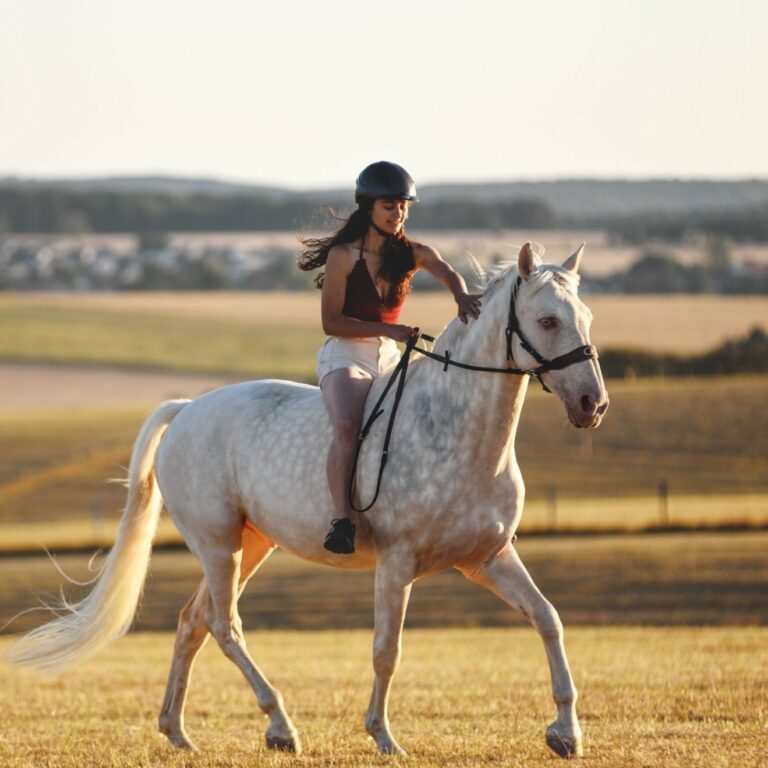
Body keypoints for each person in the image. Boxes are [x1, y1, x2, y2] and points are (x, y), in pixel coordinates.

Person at [298, 161, 481, 554]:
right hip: (346, 354)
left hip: (388, 356)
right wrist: (389, 330)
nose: (398, 213)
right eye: (389, 206)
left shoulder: (413, 252)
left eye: (403, 206)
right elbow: (331, 322)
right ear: (368, 208)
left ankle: (471, 510)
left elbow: (447, 270)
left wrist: (461, 295)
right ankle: (342, 520)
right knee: (348, 426)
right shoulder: (344, 256)